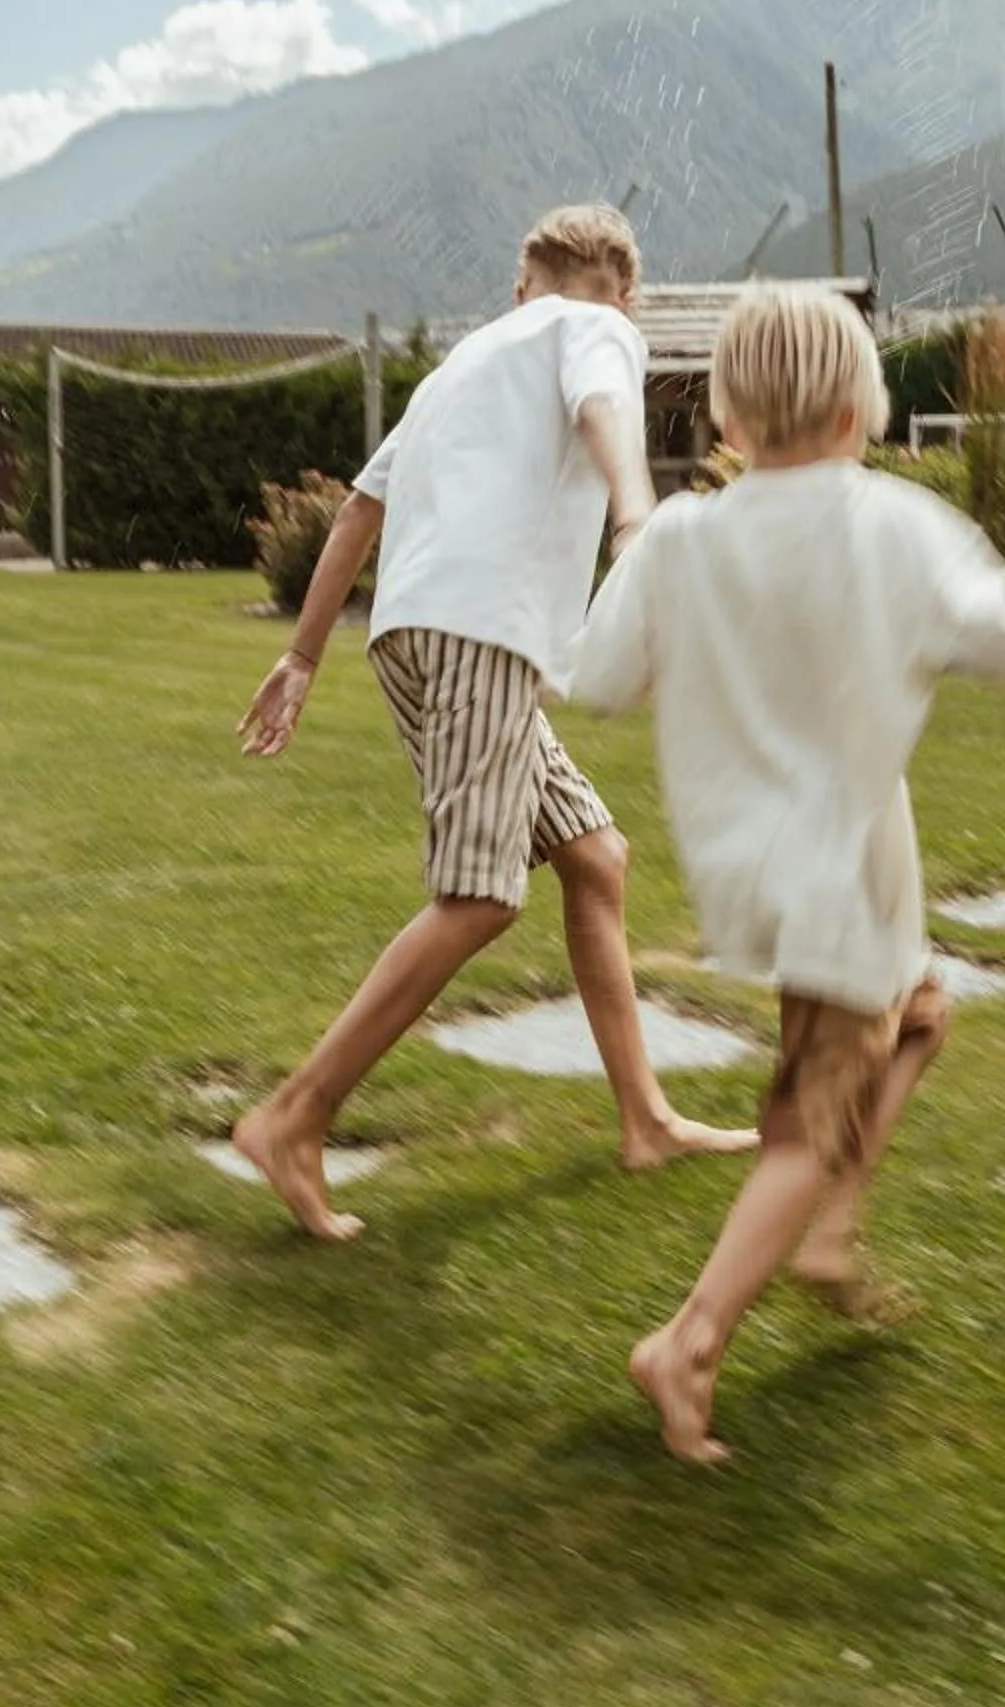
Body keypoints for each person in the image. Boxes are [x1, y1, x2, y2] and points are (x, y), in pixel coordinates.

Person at [570, 284, 1005, 1462]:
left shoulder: (683, 533)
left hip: (780, 871)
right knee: (803, 1123)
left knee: (925, 1012)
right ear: (857, 408)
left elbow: (598, 677)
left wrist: (641, 552)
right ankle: (686, 1340)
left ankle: (830, 1234)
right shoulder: (891, 524)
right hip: (838, 876)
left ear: (728, 417)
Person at [231, 204, 756, 1242]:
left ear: (525, 281)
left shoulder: (460, 366)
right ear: (624, 293)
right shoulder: (594, 326)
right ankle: (292, 1118)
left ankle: (646, 1118)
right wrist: (634, 507)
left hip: (414, 637)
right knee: (478, 896)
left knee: (596, 857)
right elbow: (607, 404)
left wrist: (300, 656)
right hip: (482, 636)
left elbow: (355, 514)